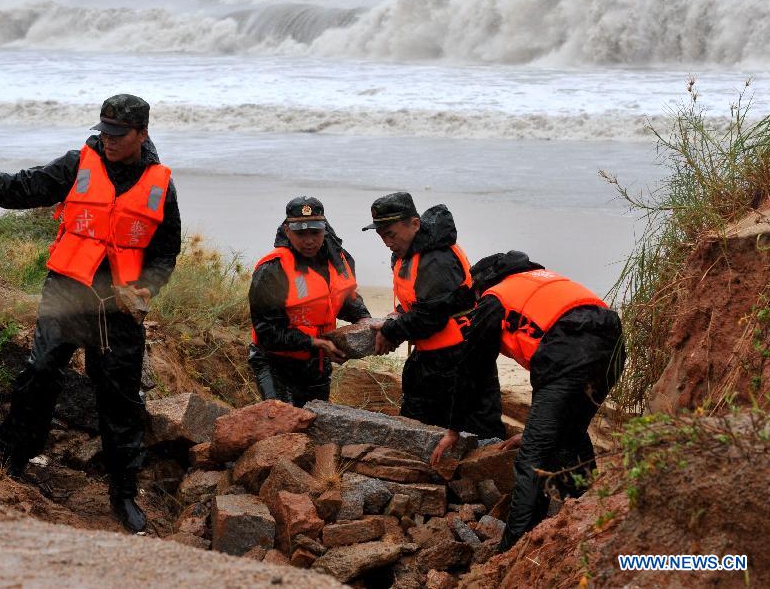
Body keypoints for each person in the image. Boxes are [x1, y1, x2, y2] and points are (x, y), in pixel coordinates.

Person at [0, 94, 180, 533]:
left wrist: (149, 287)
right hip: (67, 289)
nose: (108, 140)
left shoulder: (161, 184)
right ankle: (14, 458)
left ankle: (123, 494)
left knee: (119, 397)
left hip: (118, 308)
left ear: (142, 134)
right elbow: (24, 188)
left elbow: (166, 251)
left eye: (119, 135)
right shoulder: (77, 163)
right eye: (104, 131)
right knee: (41, 370)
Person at [430, 251, 625, 553]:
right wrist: (535, 426)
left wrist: (453, 429)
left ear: (482, 285)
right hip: (611, 345)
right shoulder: (542, 282)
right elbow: (552, 353)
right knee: (570, 436)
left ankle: (514, 550)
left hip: (569, 353)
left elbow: (471, 370)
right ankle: (589, 517)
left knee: (532, 459)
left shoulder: (494, 298)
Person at [363, 192, 505, 439]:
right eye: (380, 234)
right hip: (432, 356)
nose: (386, 241)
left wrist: (390, 331)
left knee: (477, 431)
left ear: (415, 224)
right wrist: (397, 316)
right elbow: (417, 303)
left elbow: (431, 315)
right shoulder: (405, 251)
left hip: (461, 357)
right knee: (418, 423)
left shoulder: (437, 259)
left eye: (390, 233)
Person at [248, 196, 371, 406]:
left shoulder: (337, 261)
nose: (309, 240)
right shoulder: (272, 270)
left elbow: (345, 301)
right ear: (287, 231)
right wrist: (315, 343)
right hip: (275, 363)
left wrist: (366, 321)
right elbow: (267, 333)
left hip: (317, 364)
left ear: (325, 229)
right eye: (300, 233)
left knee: (315, 423)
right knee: (281, 419)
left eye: (315, 232)